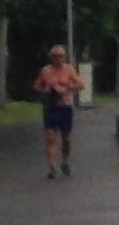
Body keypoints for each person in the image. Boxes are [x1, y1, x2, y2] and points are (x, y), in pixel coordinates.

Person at [35, 42, 84, 178]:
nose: (59, 59)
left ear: (64, 57)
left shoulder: (69, 69)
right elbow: (37, 86)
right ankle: (52, 167)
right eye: (56, 56)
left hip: (65, 107)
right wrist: (45, 90)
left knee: (66, 138)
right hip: (50, 107)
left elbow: (81, 84)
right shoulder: (46, 70)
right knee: (50, 138)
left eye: (61, 56)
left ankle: (65, 161)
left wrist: (67, 88)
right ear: (52, 57)